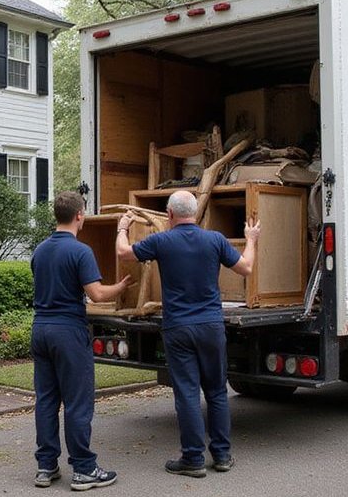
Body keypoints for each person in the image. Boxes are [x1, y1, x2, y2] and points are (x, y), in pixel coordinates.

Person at [116, 190, 259, 478]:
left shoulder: (161, 241)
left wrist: (122, 228)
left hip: (178, 328)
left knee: (187, 393)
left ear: (169, 214)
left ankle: (193, 459)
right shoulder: (215, 239)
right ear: (195, 213)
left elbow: (123, 252)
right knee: (217, 391)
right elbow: (246, 267)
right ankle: (222, 455)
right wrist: (252, 239)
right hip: (210, 326)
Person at [30, 191, 133, 491]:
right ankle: (84, 469)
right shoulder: (80, 251)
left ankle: (46, 466)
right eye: (85, 213)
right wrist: (123, 285)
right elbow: (97, 294)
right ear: (79, 216)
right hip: (68, 332)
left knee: (47, 400)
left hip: (41, 329)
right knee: (77, 401)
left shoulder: (40, 250)